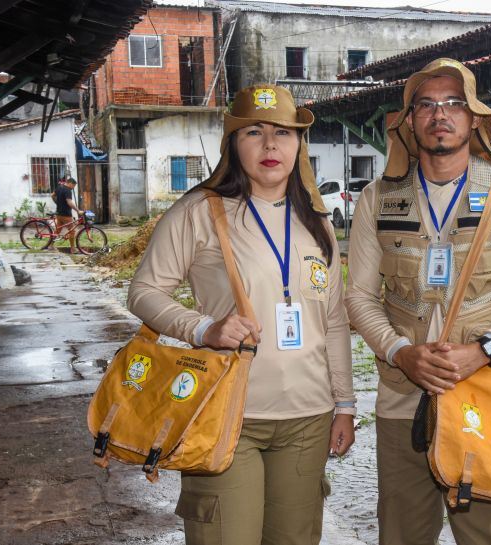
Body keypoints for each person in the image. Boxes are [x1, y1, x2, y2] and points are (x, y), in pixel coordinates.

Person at [127, 84, 356, 545]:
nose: (270, 145)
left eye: (283, 134)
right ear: (233, 143)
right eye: (254, 132)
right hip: (226, 415)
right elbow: (144, 291)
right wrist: (203, 328)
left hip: (308, 419)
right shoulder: (199, 210)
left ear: (298, 145)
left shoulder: (317, 221)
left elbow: (333, 321)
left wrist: (345, 406)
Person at [345, 58, 491, 545]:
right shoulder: (378, 199)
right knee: (401, 534)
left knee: (489, 537)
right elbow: (358, 296)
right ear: (408, 121)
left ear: (474, 118)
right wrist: (400, 352)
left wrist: (483, 349)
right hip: (403, 402)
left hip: (486, 398)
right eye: (426, 105)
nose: (439, 114)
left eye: (453, 104)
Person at [51, 176, 83, 254]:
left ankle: (50, 245)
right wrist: (78, 210)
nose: (73, 188)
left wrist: (57, 203)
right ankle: (73, 249)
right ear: (70, 183)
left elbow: (52, 195)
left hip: (59, 213)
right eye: (73, 186)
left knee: (58, 230)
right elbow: (69, 202)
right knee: (72, 231)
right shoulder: (68, 190)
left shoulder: (59, 187)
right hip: (66, 214)